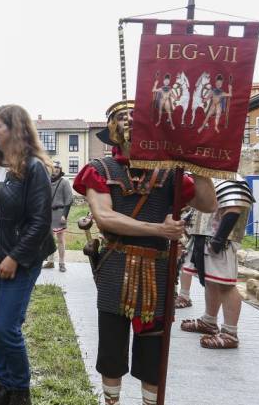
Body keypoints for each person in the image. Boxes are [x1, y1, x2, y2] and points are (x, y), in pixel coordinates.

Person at [73, 99, 217, 405]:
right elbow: (105, 217)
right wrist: (157, 230)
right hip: (116, 268)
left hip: (157, 273)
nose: (130, 124)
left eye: (137, 118)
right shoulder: (99, 169)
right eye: (122, 118)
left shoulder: (169, 172)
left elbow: (208, 204)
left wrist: (194, 161)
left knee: (154, 356)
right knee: (111, 351)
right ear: (111, 129)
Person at [0, 104, 56, 405]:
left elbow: (40, 222)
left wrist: (15, 257)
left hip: (21, 260)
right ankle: (5, 388)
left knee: (6, 326)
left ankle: (20, 394)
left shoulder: (34, 168)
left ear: (15, 129)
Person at [179, 177, 253, 349]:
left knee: (226, 285)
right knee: (212, 283)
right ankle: (209, 321)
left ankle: (230, 332)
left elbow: (234, 209)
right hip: (204, 239)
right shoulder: (210, 178)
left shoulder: (232, 178)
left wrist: (218, 240)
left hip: (221, 242)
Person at [42, 161, 73, 272]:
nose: (55, 170)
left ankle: (61, 262)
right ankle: (50, 261)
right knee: (49, 239)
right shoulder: (46, 181)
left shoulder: (64, 182)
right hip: (47, 214)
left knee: (60, 239)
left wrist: (64, 215)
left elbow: (69, 199)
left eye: (57, 168)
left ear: (60, 170)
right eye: (54, 168)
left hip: (59, 213)